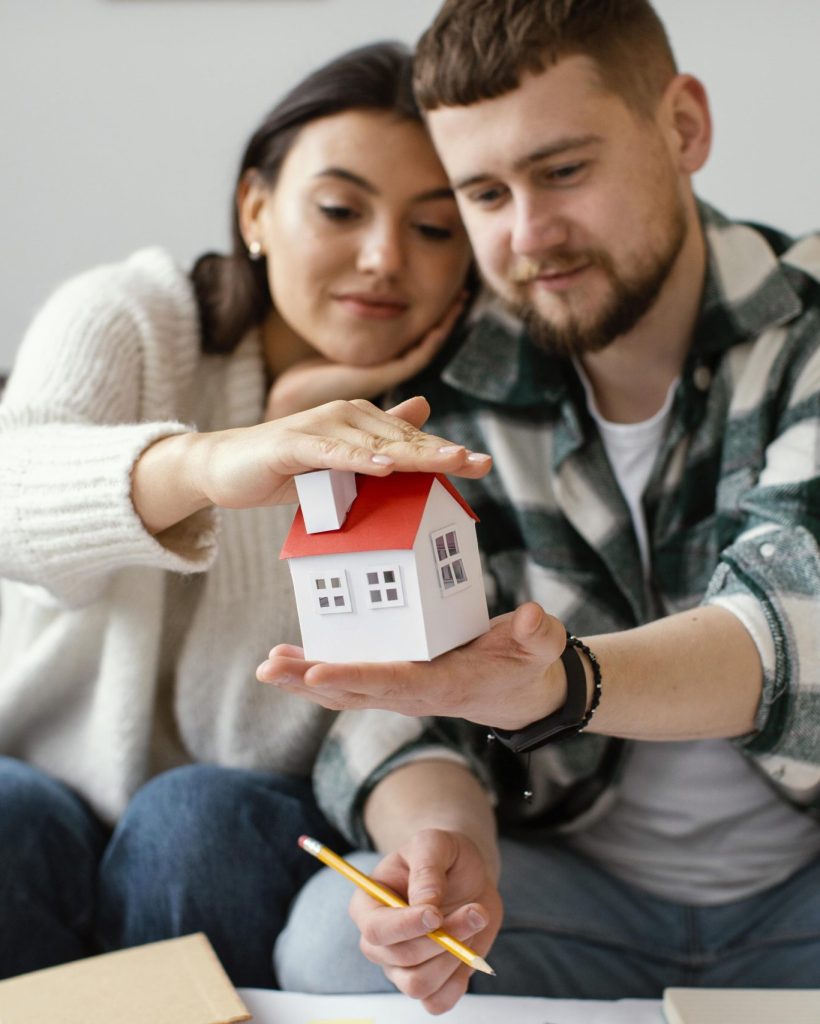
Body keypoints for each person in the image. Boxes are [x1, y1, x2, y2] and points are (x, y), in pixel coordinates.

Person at [263, 0, 820, 1013]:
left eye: (564, 170)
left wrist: (560, 682)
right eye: (482, 192)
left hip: (805, 895)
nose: (529, 236)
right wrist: (444, 849)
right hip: (573, 897)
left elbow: (794, 619)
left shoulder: (806, 328)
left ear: (683, 126)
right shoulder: (450, 386)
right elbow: (397, 714)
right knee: (332, 948)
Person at [0, 41, 492, 986]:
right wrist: (220, 458)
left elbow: (405, 697)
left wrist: (310, 428)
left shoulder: (454, 433)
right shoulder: (132, 317)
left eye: (434, 229)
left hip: (235, 822)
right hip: (41, 787)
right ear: (256, 208)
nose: (385, 258)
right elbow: (14, 493)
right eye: (341, 210)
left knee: (193, 821)